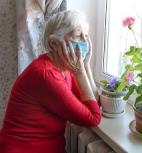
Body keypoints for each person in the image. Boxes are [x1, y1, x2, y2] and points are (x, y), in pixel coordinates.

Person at [0, 10, 101, 153]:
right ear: (54, 44)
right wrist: (80, 71)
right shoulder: (46, 75)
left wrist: (85, 65)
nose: (84, 41)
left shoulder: (65, 69)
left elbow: (94, 101)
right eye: (78, 36)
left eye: (86, 36)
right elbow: (93, 118)